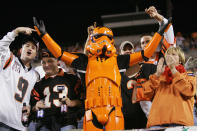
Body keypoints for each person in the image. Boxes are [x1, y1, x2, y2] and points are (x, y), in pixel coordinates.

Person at [33, 15, 171, 131]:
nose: (103, 40)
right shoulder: (84, 61)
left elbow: (145, 54)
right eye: (100, 36)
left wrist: (159, 32)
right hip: (93, 110)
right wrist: (44, 35)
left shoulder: (118, 60)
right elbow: (59, 54)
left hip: (113, 110)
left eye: (106, 37)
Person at [131, 6, 176, 118]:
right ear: (140, 46)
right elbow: (142, 95)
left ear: (155, 42)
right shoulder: (136, 63)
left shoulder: (164, 55)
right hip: (151, 114)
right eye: (143, 43)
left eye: (148, 41)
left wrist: (158, 17)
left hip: (170, 105)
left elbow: (169, 32)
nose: (146, 44)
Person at [142, 46, 196, 128]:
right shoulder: (159, 76)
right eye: (168, 55)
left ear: (180, 59)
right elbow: (146, 94)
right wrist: (157, 75)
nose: (170, 57)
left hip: (180, 123)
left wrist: (173, 70)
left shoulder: (189, 75)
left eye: (173, 54)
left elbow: (189, 91)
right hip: (157, 122)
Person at [29, 49, 82, 131]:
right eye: (43, 62)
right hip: (45, 123)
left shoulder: (73, 79)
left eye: (50, 61)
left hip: (67, 121)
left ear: (58, 61)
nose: (46, 65)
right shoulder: (38, 84)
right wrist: (36, 106)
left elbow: (83, 101)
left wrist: (72, 103)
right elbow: (31, 106)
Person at [0, 27, 39, 131]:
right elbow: (1, 46)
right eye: (27, 46)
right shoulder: (9, 60)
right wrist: (15, 32)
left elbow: (32, 97)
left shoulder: (35, 75)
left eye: (33, 47)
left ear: (36, 55)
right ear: (21, 50)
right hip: (3, 120)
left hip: (20, 124)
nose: (30, 48)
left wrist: (31, 106)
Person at [119, 41, 147, 129]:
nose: (128, 51)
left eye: (130, 49)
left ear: (134, 52)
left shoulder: (141, 67)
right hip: (123, 114)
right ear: (120, 52)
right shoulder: (115, 69)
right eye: (125, 49)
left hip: (140, 113)